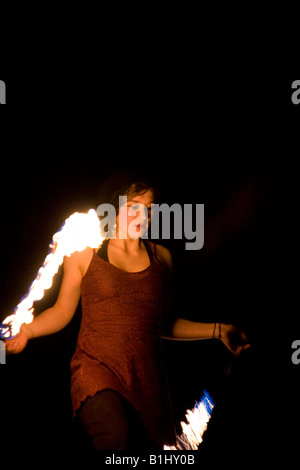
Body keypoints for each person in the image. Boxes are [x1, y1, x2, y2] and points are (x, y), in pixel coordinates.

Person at [5, 171, 250, 450]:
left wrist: (219, 331)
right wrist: (28, 331)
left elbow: (163, 324)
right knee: (113, 437)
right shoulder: (86, 254)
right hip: (96, 370)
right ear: (114, 208)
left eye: (149, 208)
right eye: (134, 206)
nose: (144, 215)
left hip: (148, 381)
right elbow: (62, 310)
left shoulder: (161, 259)